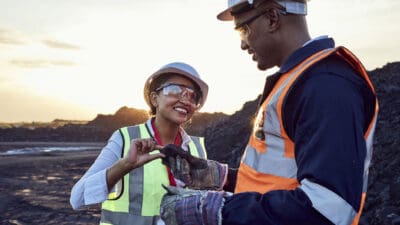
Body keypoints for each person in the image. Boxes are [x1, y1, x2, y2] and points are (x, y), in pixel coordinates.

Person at [159, 1, 379, 225]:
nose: (243, 44)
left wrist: (217, 211)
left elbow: (328, 210)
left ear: (272, 18)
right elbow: (279, 181)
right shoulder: (300, 81)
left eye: (243, 29)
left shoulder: (325, 86)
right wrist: (221, 178)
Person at [70, 62, 223, 225]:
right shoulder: (124, 138)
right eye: (175, 90)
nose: (186, 99)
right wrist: (125, 165)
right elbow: (77, 199)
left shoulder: (197, 148)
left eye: (193, 95)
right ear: (154, 98)